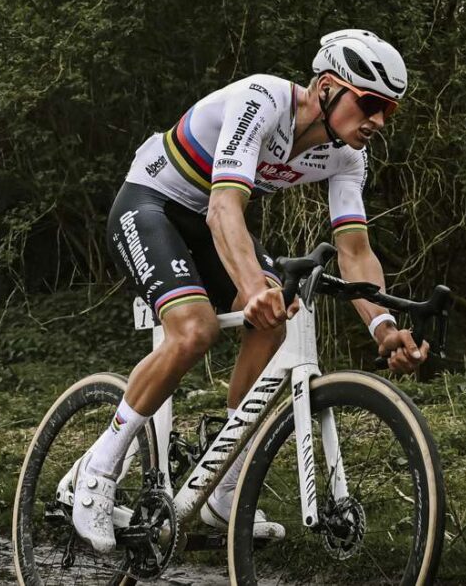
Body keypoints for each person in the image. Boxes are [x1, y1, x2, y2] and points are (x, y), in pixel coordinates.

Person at [71, 30, 432, 552]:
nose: (378, 120)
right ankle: (97, 474)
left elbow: (354, 250)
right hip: (152, 203)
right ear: (328, 87)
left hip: (209, 221)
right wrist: (249, 286)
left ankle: (225, 483)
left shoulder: (347, 157)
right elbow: (223, 208)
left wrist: (383, 325)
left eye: (388, 111)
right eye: (370, 103)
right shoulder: (261, 99)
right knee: (192, 330)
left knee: (276, 316)